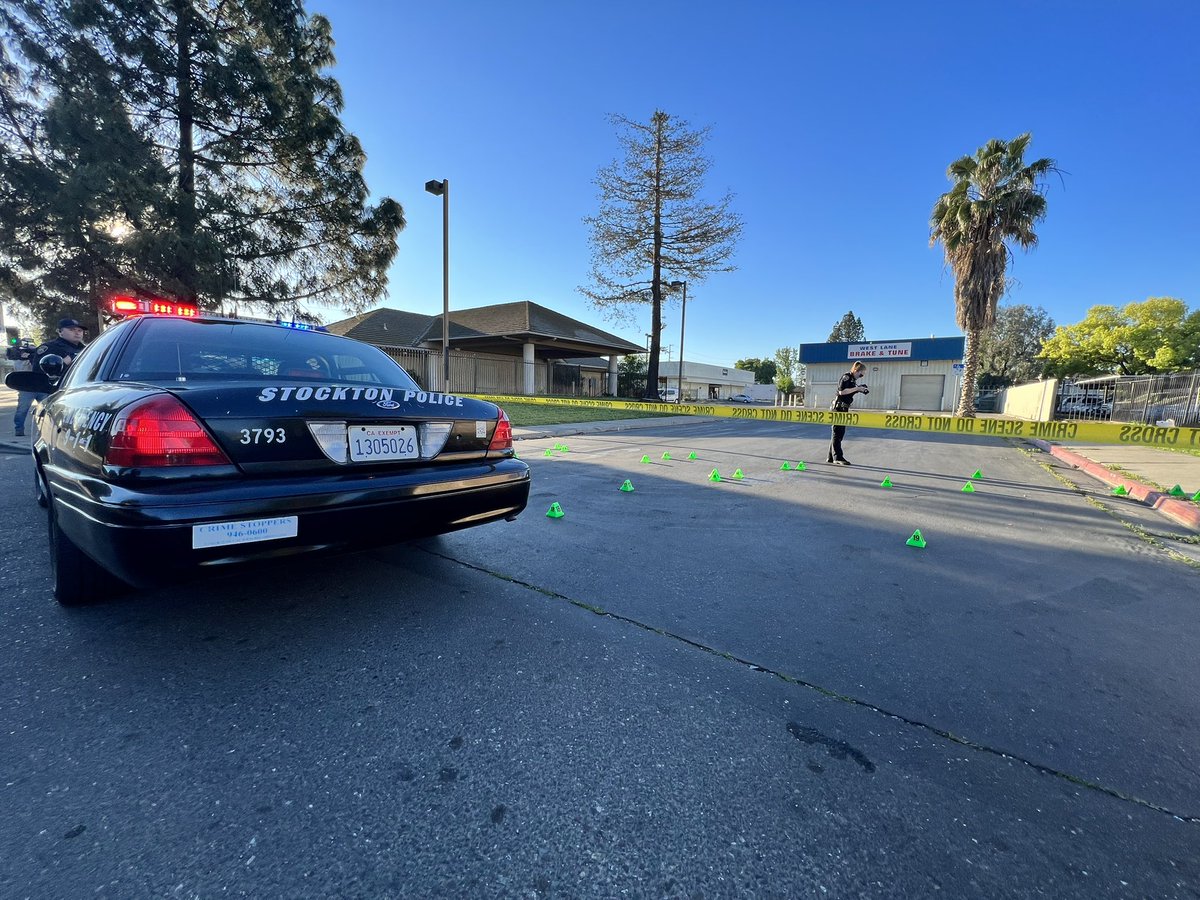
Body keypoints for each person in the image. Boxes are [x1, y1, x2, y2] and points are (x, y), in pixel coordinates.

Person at [16, 318, 87, 437]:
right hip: (55, 392)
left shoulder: (86, 349)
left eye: (80, 330)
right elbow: (40, 372)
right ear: (60, 332)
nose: (77, 332)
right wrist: (68, 360)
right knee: (49, 425)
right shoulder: (49, 348)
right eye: (71, 329)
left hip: (82, 390)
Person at [827, 360, 869, 465]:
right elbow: (842, 391)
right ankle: (838, 457)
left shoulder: (853, 380)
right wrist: (857, 388)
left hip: (844, 408)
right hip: (838, 407)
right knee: (838, 432)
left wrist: (860, 389)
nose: (862, 375)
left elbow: (850, 391)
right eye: (861, 373)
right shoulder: (846, 377)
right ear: (856, 370)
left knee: (838, 433)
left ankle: (831, 457)